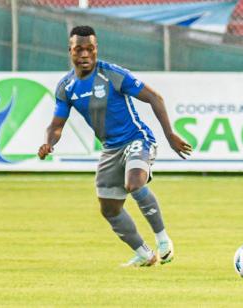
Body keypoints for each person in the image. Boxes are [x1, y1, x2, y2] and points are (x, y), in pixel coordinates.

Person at [37, 25, 192, 267]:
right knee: (109, 208)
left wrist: (170, 135)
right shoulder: (66, 87)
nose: (85, 54)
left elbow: (154, 98)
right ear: (70, 51)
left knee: (134, 183)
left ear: (96, 50)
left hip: (137, 139)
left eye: (90, 49)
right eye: (79, 49)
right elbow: (56, 124)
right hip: (110, 149)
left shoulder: (112, 74)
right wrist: (49, 143)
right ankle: (144, 254)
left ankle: (163, 240)